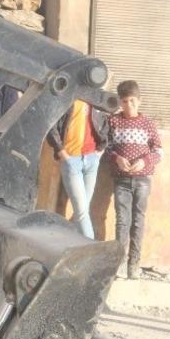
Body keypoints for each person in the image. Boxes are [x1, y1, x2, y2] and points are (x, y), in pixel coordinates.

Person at [106, 80, 161, 279]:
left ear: (139, 101)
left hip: (143, 180)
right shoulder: (113, 121)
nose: (129, 106)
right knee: (122, 221)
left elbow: (158, 150)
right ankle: (119, 265)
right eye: (125, 102)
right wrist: (116, 158)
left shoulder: (147, 124)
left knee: (138, 221)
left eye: (132, 101)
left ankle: (134, 264)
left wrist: (145, 161)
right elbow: (107, 147)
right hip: (121, 180)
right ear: (120, 103)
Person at [46, 98, 110, 239]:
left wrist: (101, 149)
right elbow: (51, 124)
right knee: (81, 212)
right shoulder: (67, 98)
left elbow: (105, 123)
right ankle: (92, 250)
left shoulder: (94, 99)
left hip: (92, 159)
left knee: (82, 210)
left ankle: (70, 241)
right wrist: (61, 152)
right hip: (71, 160)